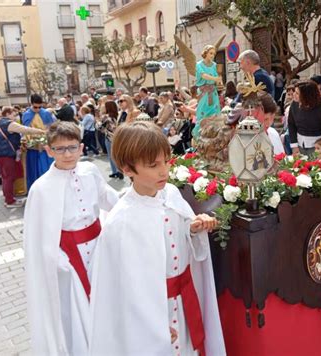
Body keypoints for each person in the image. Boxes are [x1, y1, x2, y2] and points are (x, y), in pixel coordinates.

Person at [89, 122, 225, 354]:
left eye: (166, 161)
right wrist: (150, 327)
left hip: (184, 303)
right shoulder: (120, 222)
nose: (164, 171)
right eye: (153, 165)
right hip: (150, 316)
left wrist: (193, 229)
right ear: (128, 169)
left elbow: (177, 237)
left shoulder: (170, 194)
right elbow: (120, 291)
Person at [24, 121, 118, 354]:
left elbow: (109, 199)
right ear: (48, 150)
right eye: (59, 149)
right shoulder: (41, 188)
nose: (67, 154)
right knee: (77, 311)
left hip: (98, 248)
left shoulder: (91, 171)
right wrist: (57, 259)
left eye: (72, 147)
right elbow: (37, 235)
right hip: (69, 258)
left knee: (106, 300)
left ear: (81, 147)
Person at [0, 106, 45, 207]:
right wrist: (41, 131)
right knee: (9, 177)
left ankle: (8, 197)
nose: (15, 116)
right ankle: (10, 201)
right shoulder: (9, 123)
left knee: (4, 177)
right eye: (13, 114)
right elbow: (25, 129)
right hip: (6, 154)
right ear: (7, 114)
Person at [288, 80, 321, 156]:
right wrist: (294, 146)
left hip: (317, 147)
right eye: (295, 92)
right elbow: (291, 124)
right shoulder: (294, 104)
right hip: (299, 145)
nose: (293, 94)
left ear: (306, 95)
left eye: (297, 93)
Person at [22, 94, 55, 190]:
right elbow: (25, 130)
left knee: (46, 167)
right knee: (34, 168)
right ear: (31, 104)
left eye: (40, 107)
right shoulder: (26, 114)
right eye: (35, 107)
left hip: (45, 144)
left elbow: (51, 127)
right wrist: (28, 142)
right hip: (33, 146)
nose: (37, 109)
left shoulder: (46, 113)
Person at [193, 44, 223, 138]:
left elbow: (218, 77)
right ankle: (199, 135)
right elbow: (203, 75)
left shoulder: (214, 65)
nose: (212, 56)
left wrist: (220, 81)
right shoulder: (199, 65)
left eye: (213, 54)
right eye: (210, 53)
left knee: (215, 113)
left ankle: (214, 133)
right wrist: (216, 79)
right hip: (204, 92)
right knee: (203, 112)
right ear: (205, 53)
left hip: (213, 92)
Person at [100, 100, 123, 179]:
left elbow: (101, 128)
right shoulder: (119, 114)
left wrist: (97, 121)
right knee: (117, 155)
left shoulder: (106, 117)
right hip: (119, 137)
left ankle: (115, 171)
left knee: (111, 155)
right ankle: (119, 171)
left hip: (109, 138)